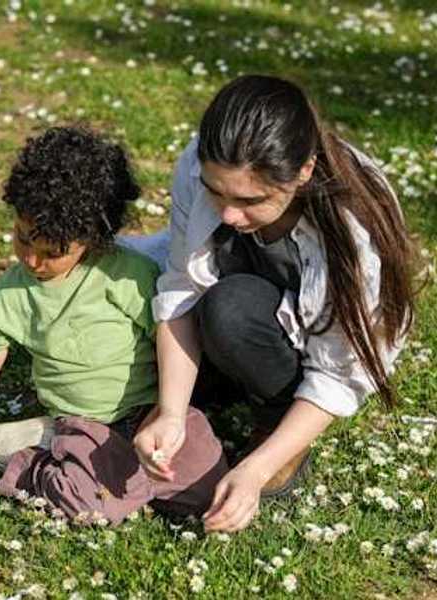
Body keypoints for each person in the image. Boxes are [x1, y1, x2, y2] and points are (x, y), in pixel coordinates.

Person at [0, 126, 227, 525]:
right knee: (87, 505)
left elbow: (168, 340)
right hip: (82, 426)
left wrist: (166, 416)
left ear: (93, 239)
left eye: (52, 253)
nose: (32, 261)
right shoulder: (9, 297)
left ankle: (122, 481)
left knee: (207, 484)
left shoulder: (129, 276)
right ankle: (33, 455)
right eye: (21, 239)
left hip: (146, 413)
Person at [133, 75, 416, 533]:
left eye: (250, 200)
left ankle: (274, 422)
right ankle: (189, 400)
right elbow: (181, 288)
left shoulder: (353, 228)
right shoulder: (200, 163)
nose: (227, 213)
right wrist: (171, 410)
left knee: (231, 309)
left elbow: (337, 375)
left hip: (286, 334)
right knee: (127, 278)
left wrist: (257, 470)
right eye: (215, 191)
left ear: (303, 172)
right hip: (242, 297)